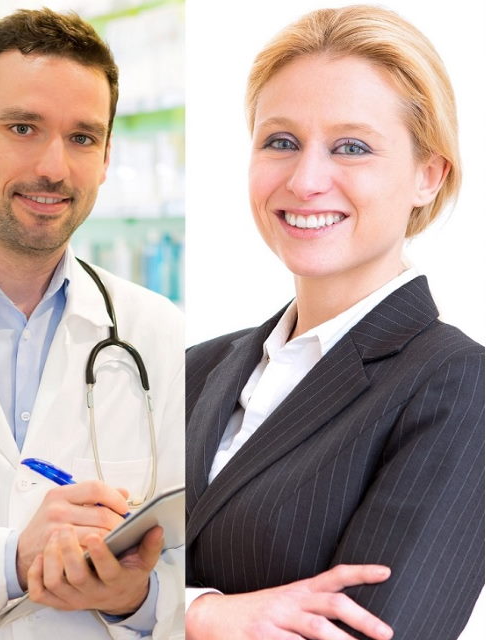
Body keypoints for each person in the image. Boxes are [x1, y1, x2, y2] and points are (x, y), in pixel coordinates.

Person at [0, 9, 185, 638]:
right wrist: (9, 560)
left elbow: (194, 564)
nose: (54, 167)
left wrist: (138, 598)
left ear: (105, 158)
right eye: (23, 127)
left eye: (82, 138)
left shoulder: (156, 335)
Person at [182, 6, 482, 639]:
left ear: (429, 175)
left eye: (352, 147)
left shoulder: (458, 388)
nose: (306, 178)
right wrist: (203, 615)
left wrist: (160, 609)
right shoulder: (197, 370)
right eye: (281, 141)